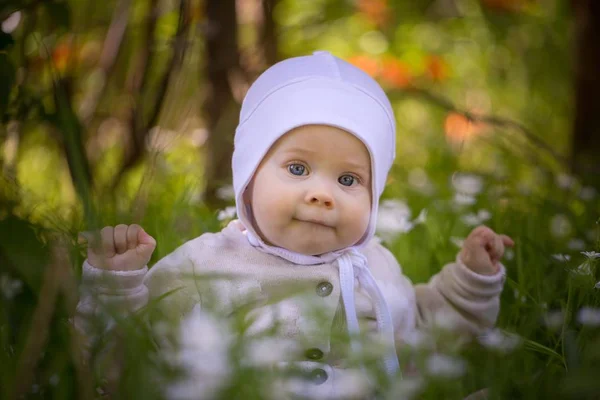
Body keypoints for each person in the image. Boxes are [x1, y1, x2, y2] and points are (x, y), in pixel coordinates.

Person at [77, 50, 514, 399]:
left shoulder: (374, 267)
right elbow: (129, 354)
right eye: (298, 169)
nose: (323, 194)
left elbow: (428, 331)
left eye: (348, 179)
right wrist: (115, 287)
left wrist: (473, 277)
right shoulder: (205, 265)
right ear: (248, 177)